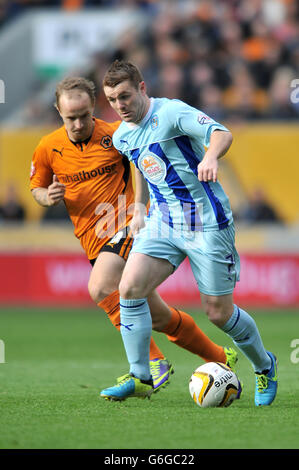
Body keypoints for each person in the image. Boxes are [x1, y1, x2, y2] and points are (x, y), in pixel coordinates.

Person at [29, 76, 238, 393]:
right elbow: (37, 188)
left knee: (100, 287)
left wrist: (139, 209)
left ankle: (152, 366)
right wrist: (48, 195)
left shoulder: (115, 135)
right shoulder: (48, 147)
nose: (78, 123)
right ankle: (221, 355)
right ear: (58, 111)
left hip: (126, 225)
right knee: (158, 316)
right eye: (71, 117)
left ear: (94, 108)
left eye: (85, 115)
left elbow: (142, 163)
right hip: (92, 240)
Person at [101, 60, 277, 406]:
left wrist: (210, 157)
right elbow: (140, 164)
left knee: (218, 313)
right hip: (163, 222)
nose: (119, 105)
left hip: (206, 221)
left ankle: (264, 365)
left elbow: (222, 133)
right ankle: (140, 376)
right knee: (130, 287)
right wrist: (138, 207)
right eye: (111, 100)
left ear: (141, 88)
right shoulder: (121, 135)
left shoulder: (172, 113)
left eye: (124, 96)